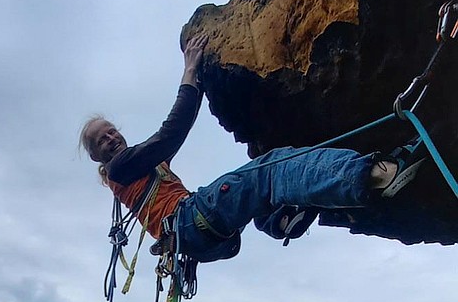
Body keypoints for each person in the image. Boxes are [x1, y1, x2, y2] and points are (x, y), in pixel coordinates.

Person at [79, 33, 425, 263]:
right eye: (101, 141)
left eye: (110, 132)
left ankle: (281, 220)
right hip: (189, 221)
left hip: (195, 238)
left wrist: (196, 84)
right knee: (268, 169)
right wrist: (189, 72)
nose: (110, 139)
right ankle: (373, 175)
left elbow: (174, 134)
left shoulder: (139, 170)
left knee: (251, 190)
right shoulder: (120, 168)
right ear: (97, 156)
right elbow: (172, 133)